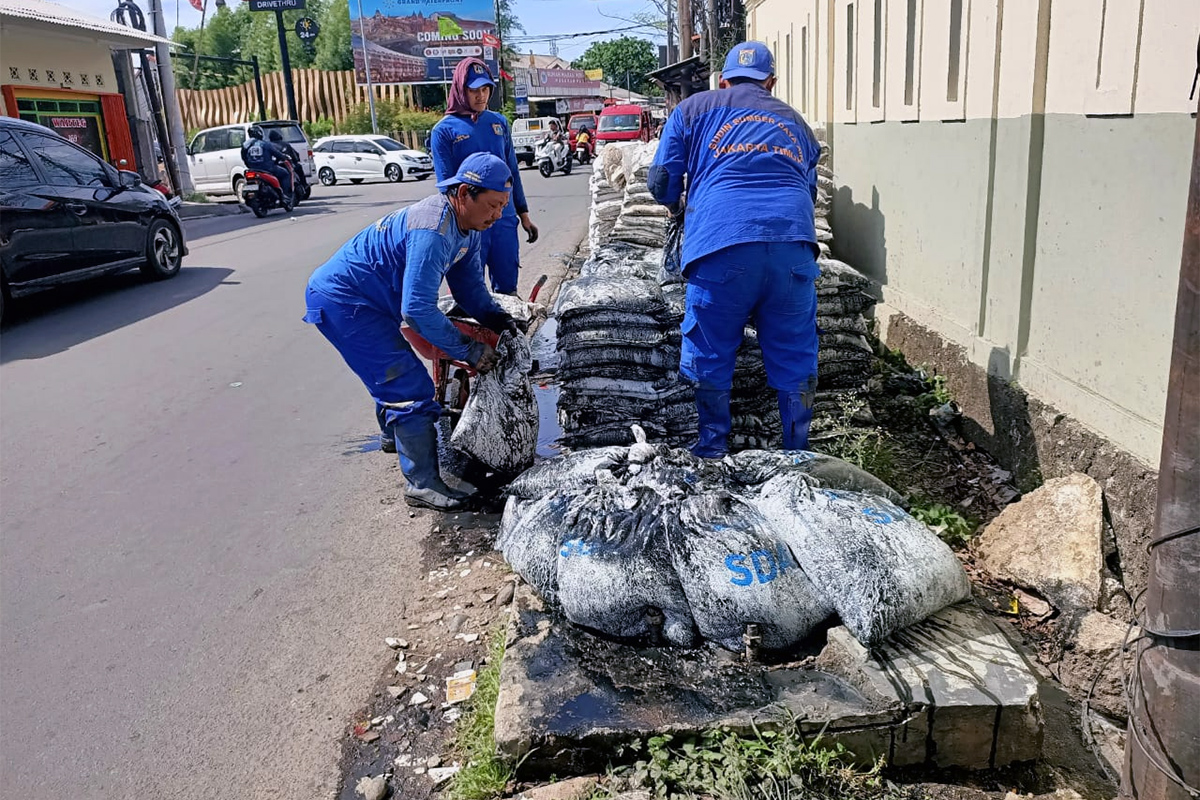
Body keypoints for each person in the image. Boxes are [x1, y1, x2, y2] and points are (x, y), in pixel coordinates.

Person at [303, 152, 524, 511]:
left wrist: (499, 320)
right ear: (464, 193)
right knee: (408, 386)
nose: (498, 215)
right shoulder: (434, 229)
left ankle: (396, 436)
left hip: (373, 301)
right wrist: (468, 349)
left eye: (503, 206)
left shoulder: (469, 229)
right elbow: (417, 309)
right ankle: (421, 484)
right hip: (345, 302)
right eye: (493, 205)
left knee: (392, 372)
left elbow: (469, 289)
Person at [648, 40, 822, 458]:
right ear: (771, 82)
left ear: (722, 80)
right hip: (792, 247)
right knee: (795, 355)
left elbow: (661, 180)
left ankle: (712, 449)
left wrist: (676, 207)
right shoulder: (797, 123)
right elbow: (811, 192)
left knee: (710, 350)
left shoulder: (692, 109)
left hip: (720, 245)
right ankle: (796, 455)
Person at [431, 58, 539, 295]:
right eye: (474, 90)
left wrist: (523, 215)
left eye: (485, 89)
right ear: (461, 90)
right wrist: (452, 231)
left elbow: (512, 171)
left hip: (504, 218)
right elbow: (446, 187)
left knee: (508, 287)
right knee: (469, 291)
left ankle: (507, 319)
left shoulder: (499, 122)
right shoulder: (444, 130)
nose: (481, 96)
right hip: (469, 225)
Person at [241, 125, 293, 202]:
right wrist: (283, 157)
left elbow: (244, 157)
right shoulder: (265, 144)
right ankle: (285, 195)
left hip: (252, 169)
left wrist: (250, 165)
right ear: (260, 133)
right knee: (285, 174)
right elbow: (277, 153)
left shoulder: (245, 145)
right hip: (267, 168)